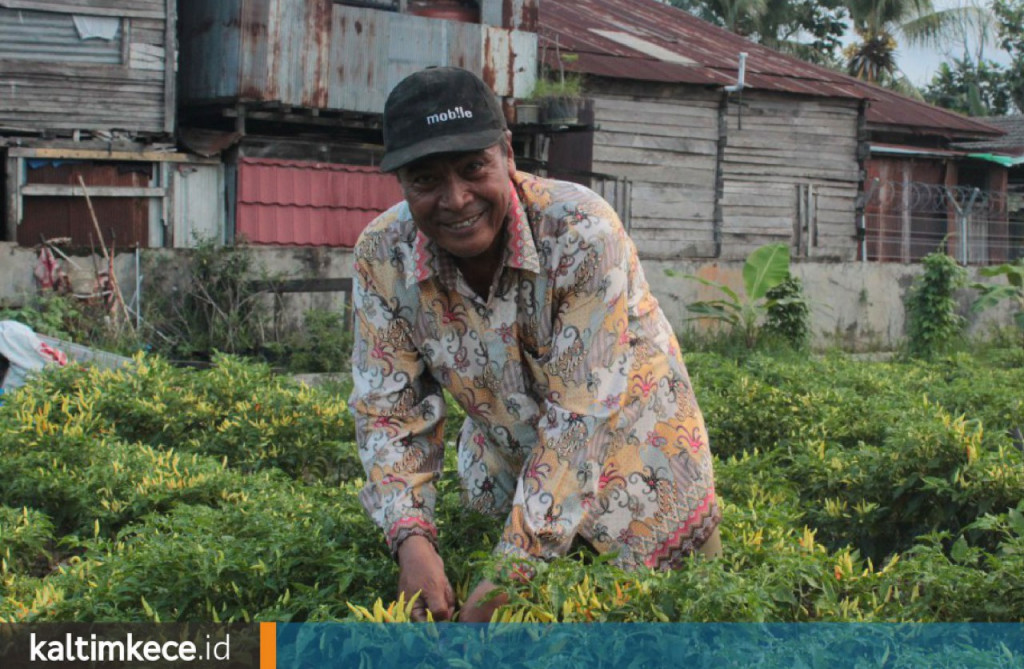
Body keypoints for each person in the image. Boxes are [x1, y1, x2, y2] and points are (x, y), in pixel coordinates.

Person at [350, 67, 721, 623]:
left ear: (506, 153)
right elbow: (389, 411)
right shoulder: (383, 255)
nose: (455, 199)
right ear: (401, 181)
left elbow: (580, 415)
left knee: (684, 636)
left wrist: (511, 570)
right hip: (508, 482)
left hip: (644, 483)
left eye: (474, 168)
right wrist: (411, 538)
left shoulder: (580, 233)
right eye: (425, 179)